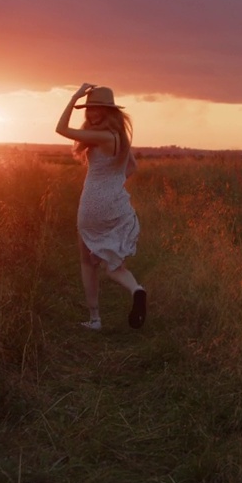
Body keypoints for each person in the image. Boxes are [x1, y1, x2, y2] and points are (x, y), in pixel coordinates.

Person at [55, 83, 147, 330]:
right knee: (115, 265)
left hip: (93, 204)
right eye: (89, 109)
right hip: (116, 203)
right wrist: (113, 183)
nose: (92, 114)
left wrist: (75, 97)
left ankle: (95, 319)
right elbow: (132, 168)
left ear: (109, 112)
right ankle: (136, 290)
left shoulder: (101, 136)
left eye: (97, 110)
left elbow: (60, 128)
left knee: (87, 262)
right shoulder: (120, 138)